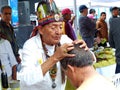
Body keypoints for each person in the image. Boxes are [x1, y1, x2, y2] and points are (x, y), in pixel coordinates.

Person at [18, 1, 88, 90]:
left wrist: (85, 50)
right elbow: (25, 80)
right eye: (53, 27)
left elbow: (87, 61)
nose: (58, 32)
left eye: (60, 27)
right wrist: (55, 58)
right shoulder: (31, 46)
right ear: (41, 30)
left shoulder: (64, 40)